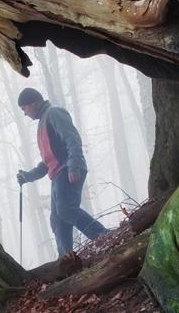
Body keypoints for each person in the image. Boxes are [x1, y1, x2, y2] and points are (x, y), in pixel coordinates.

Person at [17, 87, 108, 257]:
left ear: (34, 103)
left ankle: (104, 236)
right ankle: (66, 261)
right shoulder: (43, 123)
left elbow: (71, 137)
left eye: (24, 108)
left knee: (66, 209)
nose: (24, 113)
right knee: (58, 221)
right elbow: (47, 163)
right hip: (58, 174)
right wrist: (27, 176)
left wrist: (73, 164)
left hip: (68, 169)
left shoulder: (54, 113)